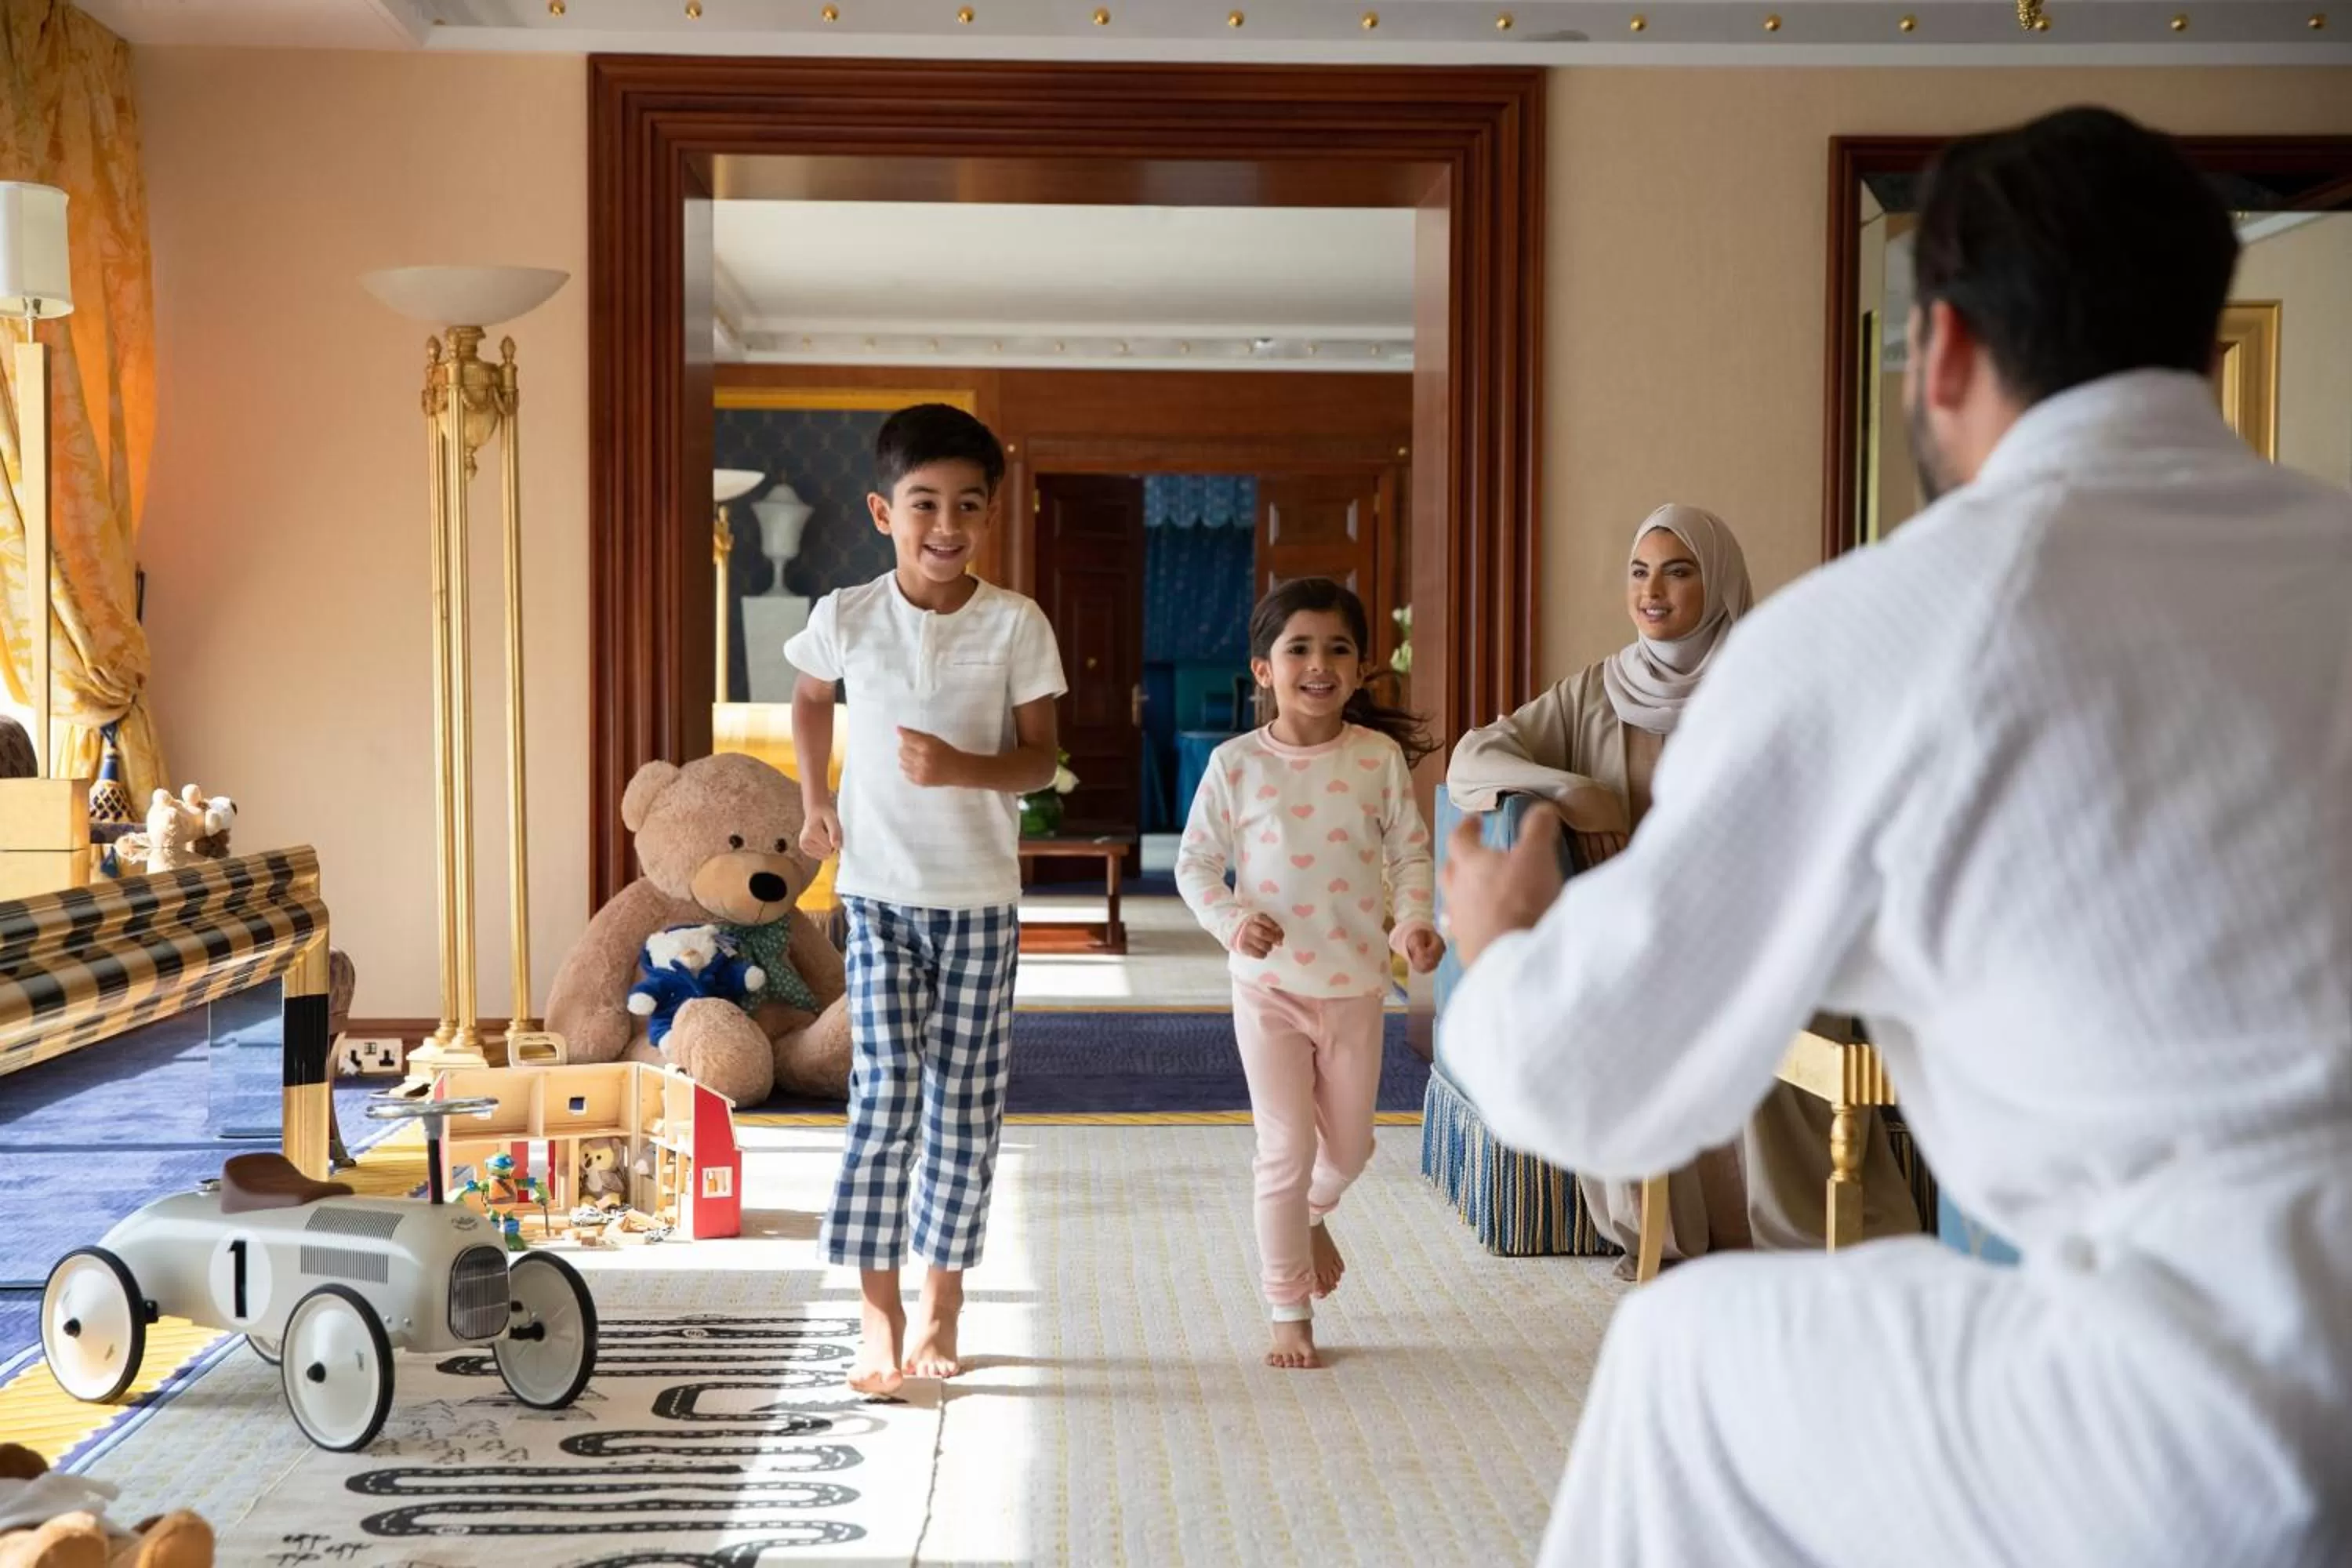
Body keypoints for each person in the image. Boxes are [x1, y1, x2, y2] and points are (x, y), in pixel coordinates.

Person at [1439, 105, 2352, 1565]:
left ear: (1939, 353)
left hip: (2215, 1413)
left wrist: (1499, 951)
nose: (1653, 590)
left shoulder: (1879, 628)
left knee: (1685, 1358)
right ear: (2201, 334)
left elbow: (1594, 1089)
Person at [1447, 505, 1918, 1272]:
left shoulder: (1772, 682)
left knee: (1767, 1002)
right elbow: (1472, 759)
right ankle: (1667, 1231)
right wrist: (1570, 790)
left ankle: (1784, 1225)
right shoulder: (1597, 692)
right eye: (1640, 570)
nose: (1652, 589)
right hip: (1640, 940)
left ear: (1719, 579)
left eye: (1677, 569)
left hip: (1766, 931)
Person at [786, 404, 1067, 1398]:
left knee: (964, 1110)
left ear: (988, 515)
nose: (945, 523)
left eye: (967, 505)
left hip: (981, 903)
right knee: (885, 1096)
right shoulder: (847, 613)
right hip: (876, 897)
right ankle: (879, 1309)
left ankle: (943, 1298)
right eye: (923, 503)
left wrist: (961, 766)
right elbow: (811, 694)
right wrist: (817, 799)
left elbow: (1041, 759)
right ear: (882, 510)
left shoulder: (1016, 623)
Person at [1176, 578, 1447, 1369]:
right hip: (1267, 989)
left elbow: (1408, 854)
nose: (1318, 664)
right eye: (1298, 648)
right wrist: (1232, 919)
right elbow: (1196, 864)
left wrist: (1414, 922)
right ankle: (1287, 1305)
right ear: (1264, 669)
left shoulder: (1377, 758)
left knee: (1352, 1150)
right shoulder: (1235, 764)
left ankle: (1312, 1210)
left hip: (1358, 986)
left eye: (1338, 648)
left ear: (1361, 669)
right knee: (1284, 1149)